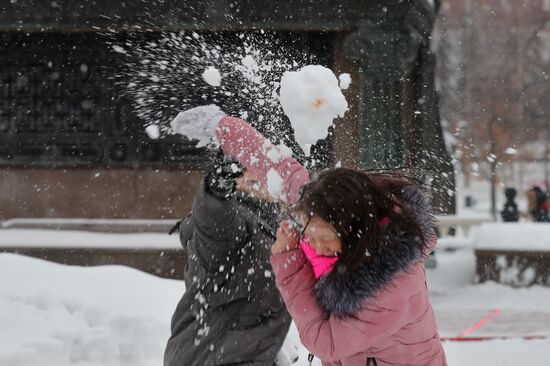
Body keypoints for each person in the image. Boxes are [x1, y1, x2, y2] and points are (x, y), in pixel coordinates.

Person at [164, 106, 309, 365]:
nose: (254, 174)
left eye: (258, 166)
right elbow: (215, 222)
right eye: (243, 167)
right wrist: (219, 186)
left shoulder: (282, 226)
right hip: (210, 355)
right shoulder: (234, 226)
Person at [270, 168, 447, 366]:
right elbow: (287, 172)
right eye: (310, 238)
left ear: (354, 232)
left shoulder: (390, 288)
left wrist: (290, 264)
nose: (318, 247)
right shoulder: (354, 249)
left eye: (325, 240)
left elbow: (326, 343)